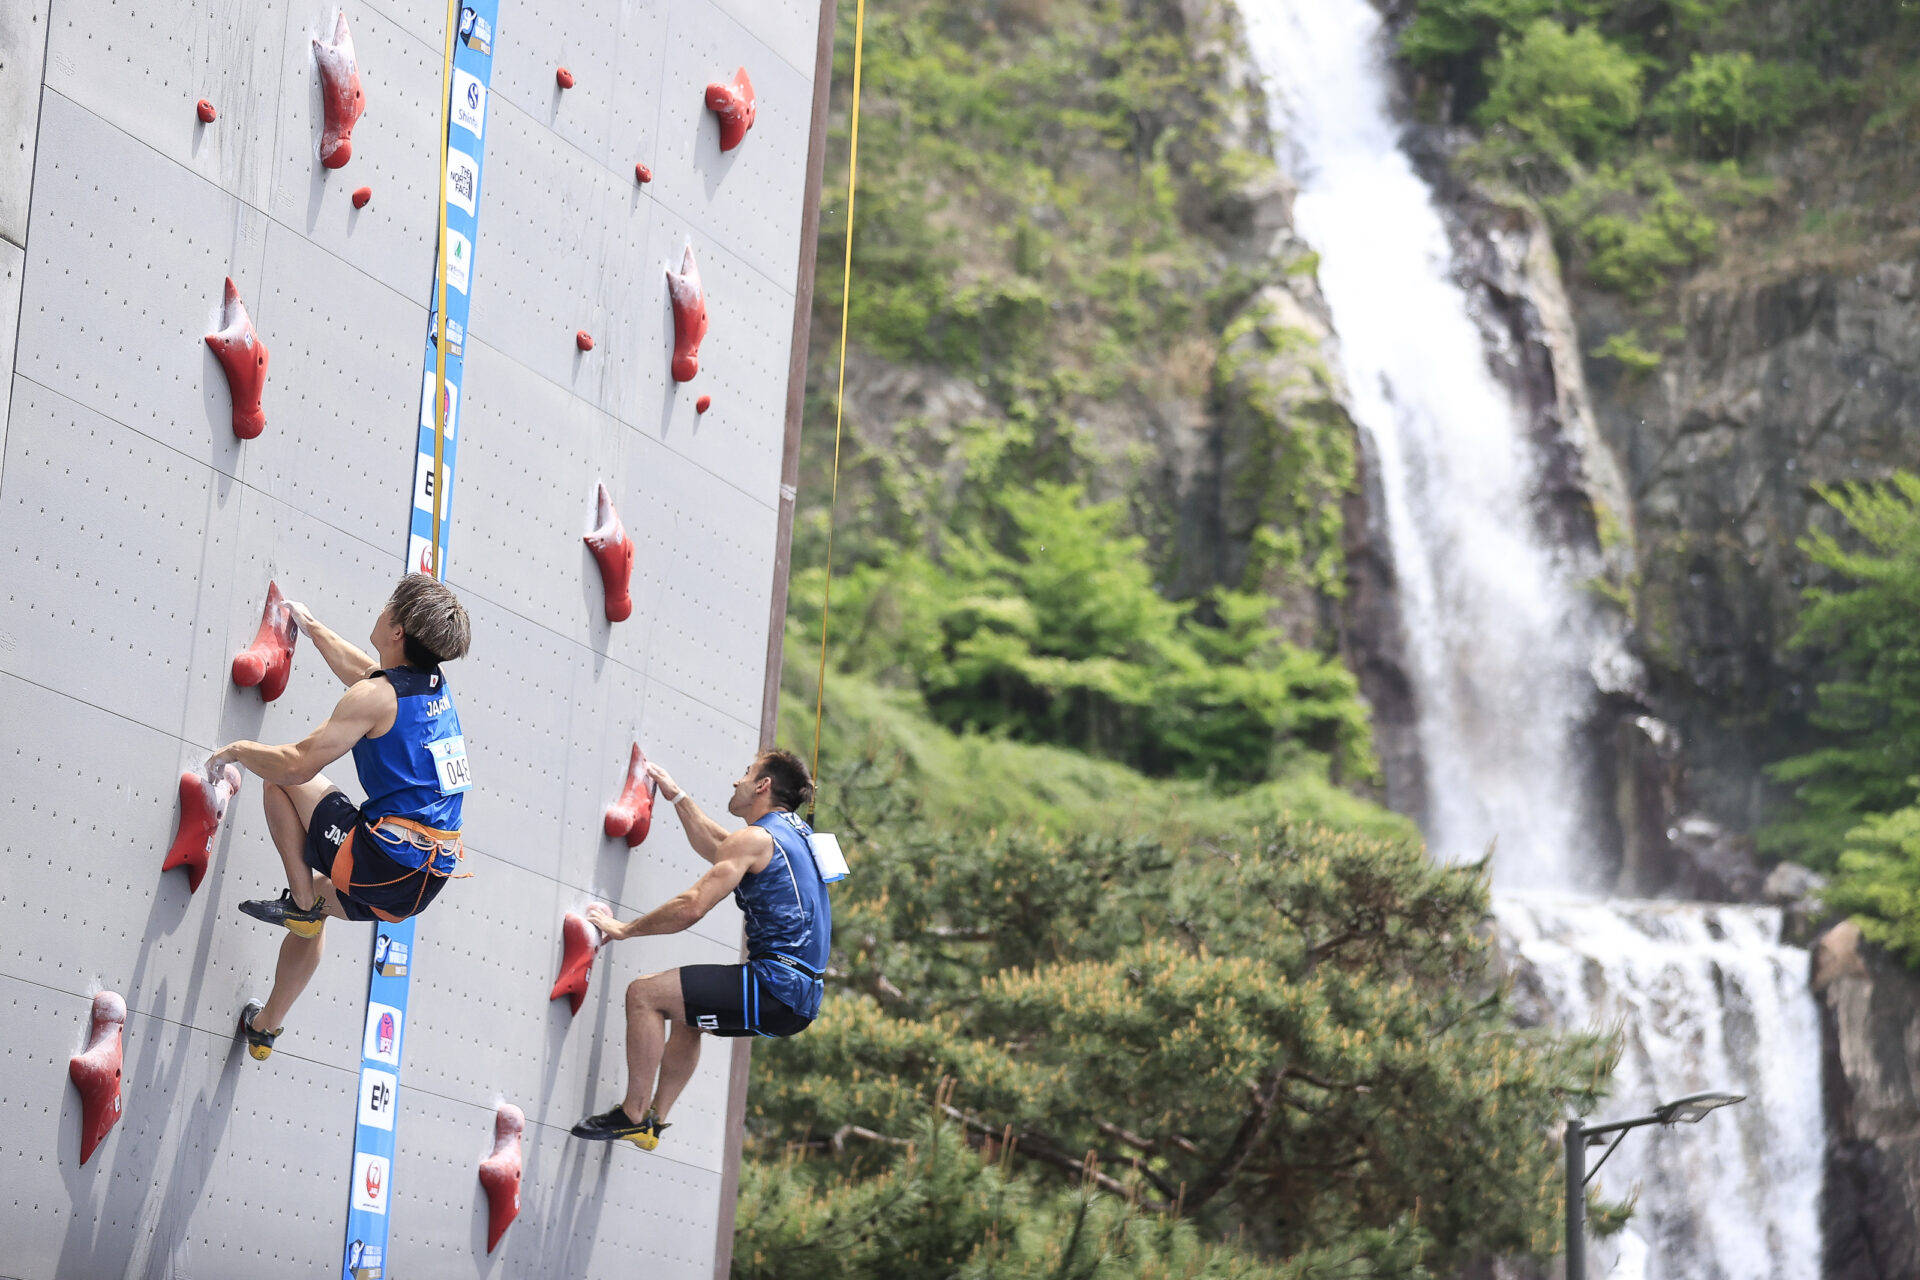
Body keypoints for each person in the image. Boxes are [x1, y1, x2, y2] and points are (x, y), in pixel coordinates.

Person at [208, 573, 473, 1061]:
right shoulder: (432, 686)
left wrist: (240, 750)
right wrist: (312, 628)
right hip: (422, 882)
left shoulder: (377, 698)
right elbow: (369, 673)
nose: (383, 607)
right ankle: (264, 1031)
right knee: (316, 921)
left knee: (281, 781)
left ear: (397, 630)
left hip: (382, 862)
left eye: (391, 604)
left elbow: (296, 764)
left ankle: (302, 898)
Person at [571, 749, 830, 1151]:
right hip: (799, 1001)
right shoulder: (793, 838)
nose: (736, 781)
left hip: (774, 986)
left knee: (645, 995)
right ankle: (654, 1122)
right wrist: (677, 797)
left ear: (763, 786)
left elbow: (691, 906)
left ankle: (632, 1114)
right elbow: (720, 845)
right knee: (689, 1014)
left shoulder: (758, 838)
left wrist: (624, 929)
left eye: (746, 773)